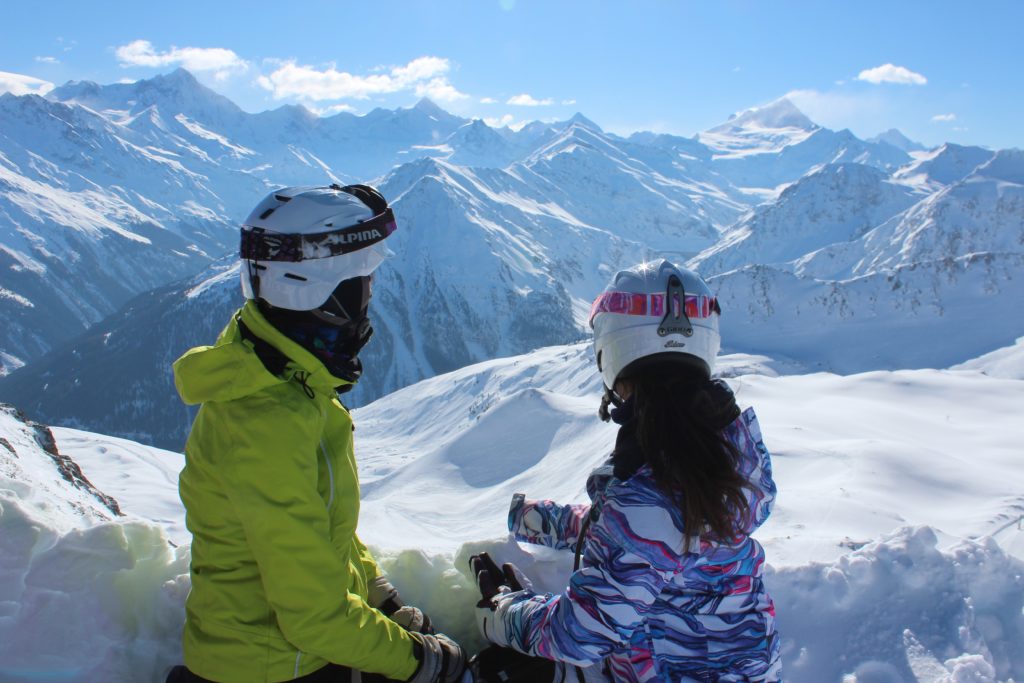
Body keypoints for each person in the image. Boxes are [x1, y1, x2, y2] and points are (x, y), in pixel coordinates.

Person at [171, 184, 468, 683]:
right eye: (361, 283)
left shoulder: (280, 369)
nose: (369, 297)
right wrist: (427, 662)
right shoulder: (268, 423)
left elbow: (321, 531)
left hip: (282, 649)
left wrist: (379, 594)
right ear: (320, 289)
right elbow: (315, 619)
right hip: (271, 667)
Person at [470, 260, 782, 682]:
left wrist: (504, 614)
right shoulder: (726, 457)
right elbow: (661, 534)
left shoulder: (646, 494)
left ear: (612, 352)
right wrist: (547, 522)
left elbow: (579, 634)